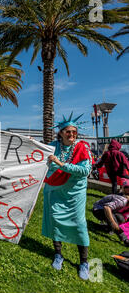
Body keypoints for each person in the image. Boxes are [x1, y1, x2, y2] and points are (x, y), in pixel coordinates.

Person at [42, 113, 92, 280]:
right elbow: (38, 157)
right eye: (68, 132)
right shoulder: (52, 146)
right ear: (61, 133)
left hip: (75, 192)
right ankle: (58, 254)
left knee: (79, 224)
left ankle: (84, 262)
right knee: (55, 220)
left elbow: (85, 171)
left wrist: (61, 164)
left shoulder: (82, 147)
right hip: (55, 189)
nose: (72, 135)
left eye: (74, 132)